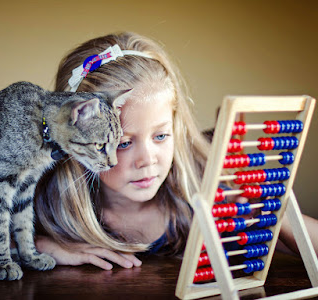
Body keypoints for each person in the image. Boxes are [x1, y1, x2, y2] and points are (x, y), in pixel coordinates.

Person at [34, 31, 318, 270]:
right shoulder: (48, 194)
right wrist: (41, 247)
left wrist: (278, 212)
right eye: (123, 142)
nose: (148, 160)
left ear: (176, 126)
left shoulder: (205, 182)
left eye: (160, 135)